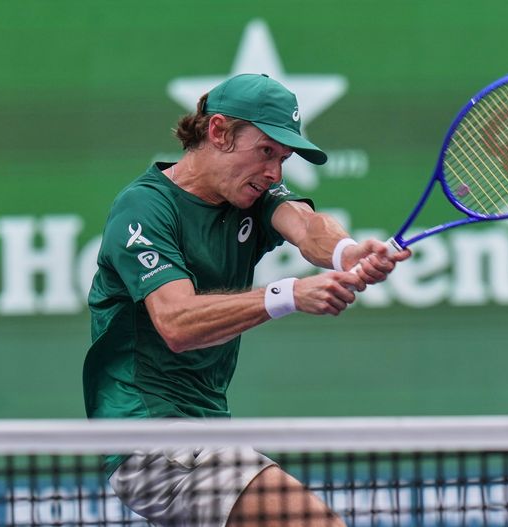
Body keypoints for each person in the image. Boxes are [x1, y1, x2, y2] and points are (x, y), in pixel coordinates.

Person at [82, 73, 411, 527]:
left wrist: (346, 252)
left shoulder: (250, 198)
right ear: (218, 132)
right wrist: (289, 294)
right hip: (151, 436)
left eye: (284, 158)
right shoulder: (144, 209)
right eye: (266, 152)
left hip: (206, 427)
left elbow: (303, 222)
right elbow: (177, 323)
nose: (275, 172)